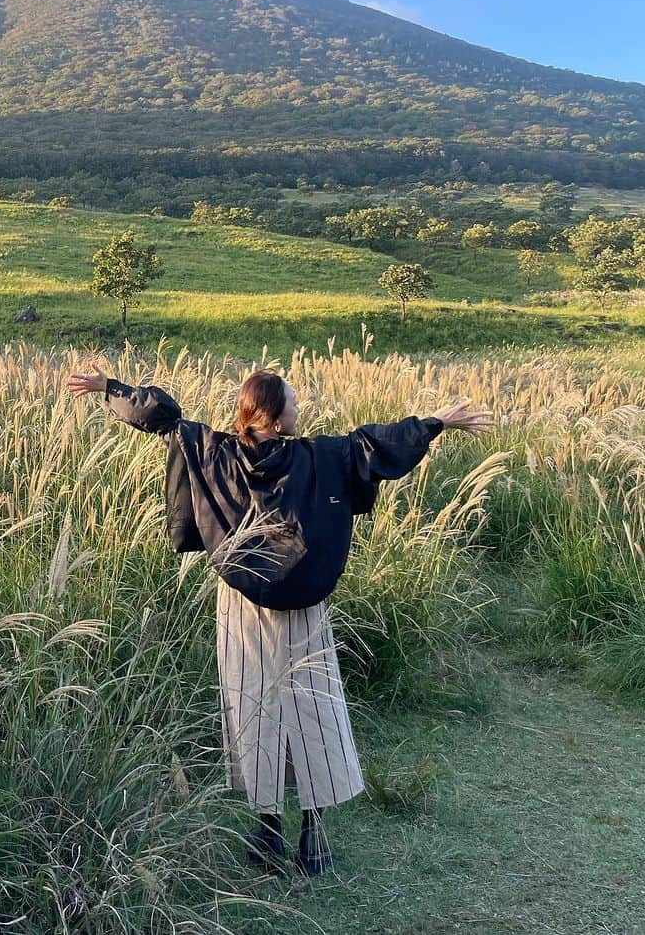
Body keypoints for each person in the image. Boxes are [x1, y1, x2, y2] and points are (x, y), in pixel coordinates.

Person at [65, 361, 494, 876]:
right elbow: (376, 446)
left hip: (243, 608)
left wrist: (109, 389)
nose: (299, 407)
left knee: (254, 709)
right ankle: (312, 834)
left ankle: (267, 830)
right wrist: (434, 425)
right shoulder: (320, 457)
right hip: (304, 609)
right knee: (314, 708)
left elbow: (161, 416)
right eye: (293, 401)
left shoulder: (216, 451)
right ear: (272, 412)